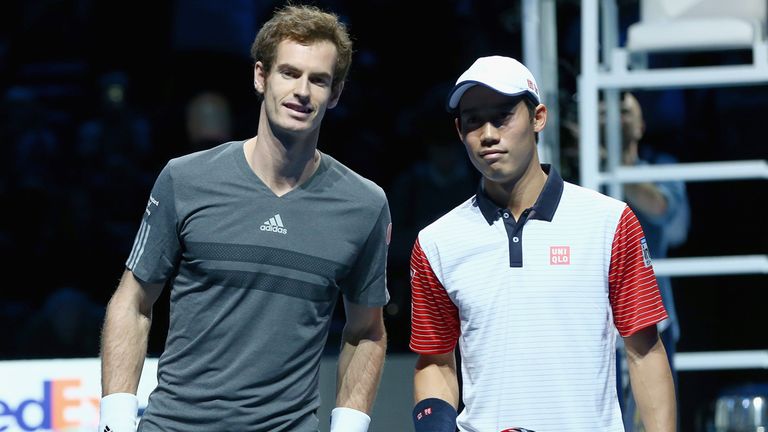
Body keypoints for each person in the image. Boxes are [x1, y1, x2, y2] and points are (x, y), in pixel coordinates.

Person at [98, 4, 390, 432]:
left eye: (319, 79)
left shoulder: (363, 204)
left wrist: (349, 428)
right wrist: (115, 422)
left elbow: (367, 331)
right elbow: (133, 301)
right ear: (260, 77)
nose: (303, 91)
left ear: (337, 93)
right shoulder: (186, 178)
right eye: (289, 73)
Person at [408, 55, 676, 432]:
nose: (487, 134)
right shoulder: (436, 242)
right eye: (473, 121)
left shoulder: (609, 222)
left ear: (538, 118)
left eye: (502, 116)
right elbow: (435, 362)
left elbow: (645, 351)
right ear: (459, 131)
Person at [603, 92, 690, 432]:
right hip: (593, 318)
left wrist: (610, 165)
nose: (614, 118)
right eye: (605, 111)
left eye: (624, 111)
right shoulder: (577, 173)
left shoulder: (661, 169)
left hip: (650, 316)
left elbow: (662, 209)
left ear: (641, 125)